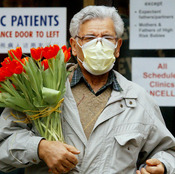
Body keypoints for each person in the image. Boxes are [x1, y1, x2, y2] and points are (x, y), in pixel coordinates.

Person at [0, 5, 175, 174]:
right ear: (74, 46)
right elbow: (3, 146)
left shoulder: (138, 99)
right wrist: (40, 147)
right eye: (90, 38)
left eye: (107, 38)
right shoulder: (39, 90)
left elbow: (168, 151)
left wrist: (162, 165)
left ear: (118, 47)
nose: (99, 45)